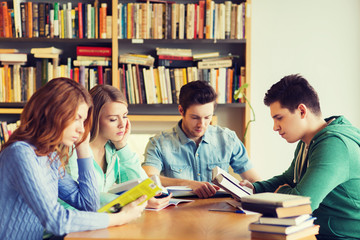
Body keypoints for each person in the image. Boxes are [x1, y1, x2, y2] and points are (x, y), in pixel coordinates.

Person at [0, 78, 147, 240]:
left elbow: (88, 205)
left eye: (84, 121)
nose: (81, 128)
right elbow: (55, 220)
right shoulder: (21, 153)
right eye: (77, 118)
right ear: (54, 113)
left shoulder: (50, 156)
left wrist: (83, 147)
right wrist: (120, 217)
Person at [240, 74, 360, 239]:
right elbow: (289, 178)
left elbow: (300, 203)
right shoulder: (307, 141)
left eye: (279, 118)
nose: (275, 127)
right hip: (318, 231)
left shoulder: (334, 145)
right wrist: (255, 188)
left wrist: (281, 191)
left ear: (302, 111)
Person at [142, 80, 261, 199]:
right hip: (177, 212)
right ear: (181, 111)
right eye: (195, 117)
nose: (201, 124)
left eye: (207, 117)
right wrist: (188, 184)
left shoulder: (228, 138)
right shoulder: (159, 143)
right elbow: (148, 178)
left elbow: (253, 179)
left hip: (222, 211)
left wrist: (251, 187)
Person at [65, 84, 171, 209]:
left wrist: (122, 147)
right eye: (113, 119)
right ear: (93, 119)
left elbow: (143, 185)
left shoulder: (112, 149)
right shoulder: (74, 150)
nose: (122, 124)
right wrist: (133, 201)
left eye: (125, 116)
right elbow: (79, 199)